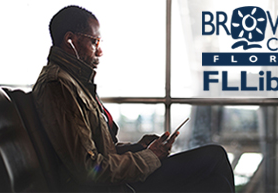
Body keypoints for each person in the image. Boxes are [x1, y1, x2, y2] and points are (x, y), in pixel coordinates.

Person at [32, 5, 234, 192]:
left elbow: (97, 151)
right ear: (71, 41)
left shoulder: (73, 84)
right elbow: (88, 168)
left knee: (216, 178)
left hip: (116, 182)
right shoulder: (58, 87)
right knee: (214, 159)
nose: (100, 51)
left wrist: (139, 148)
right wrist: (150, 157)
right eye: (94, 42)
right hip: (113, 187)